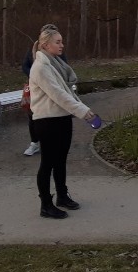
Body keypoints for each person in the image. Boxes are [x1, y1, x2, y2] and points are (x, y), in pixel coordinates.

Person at [29, 25, 95, 219]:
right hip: (47, 121)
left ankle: (62, 196)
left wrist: (84, 110)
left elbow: (68, 92)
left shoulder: (56, 64)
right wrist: (83, 112)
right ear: (45, 44)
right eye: (58, 42)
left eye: (61, 41)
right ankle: (46, 205)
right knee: (47, 163)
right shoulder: (40, 67)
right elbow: (58, 94)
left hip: (62, 118)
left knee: (60, 161)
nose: (62, 45)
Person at [21, 24, 68, 157]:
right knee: (32, 115)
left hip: (52, 86)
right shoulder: (33, 49)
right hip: (34, 86)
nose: (60, 44)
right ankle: (34, 142)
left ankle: (53, 142)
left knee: (52, 115)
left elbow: (64, 67)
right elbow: (24, 65)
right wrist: (35, 76)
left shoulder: (58, 51)